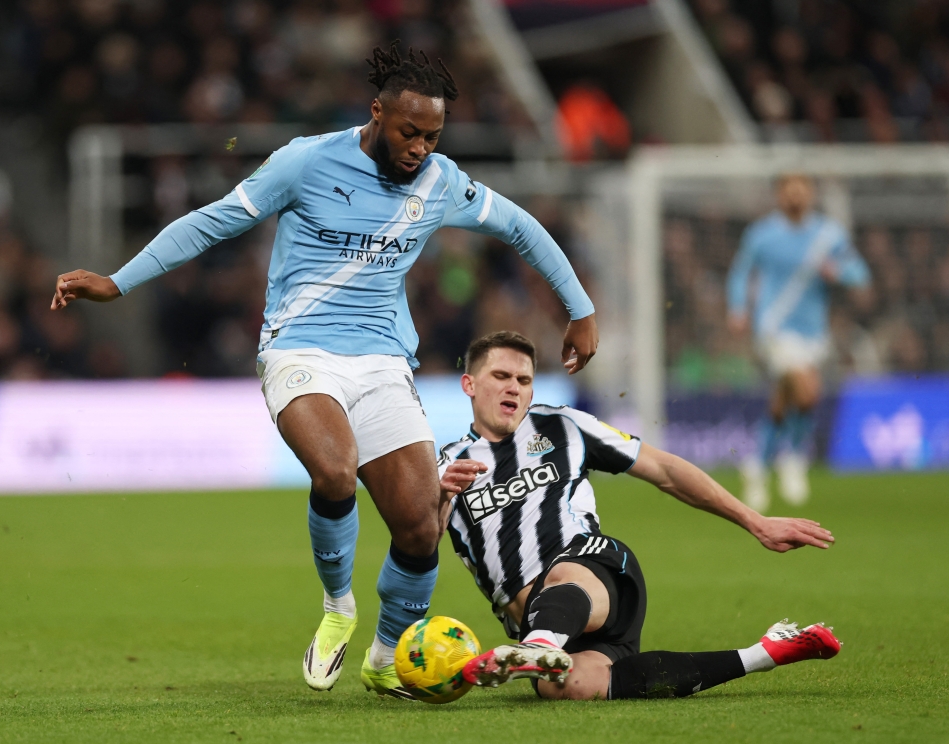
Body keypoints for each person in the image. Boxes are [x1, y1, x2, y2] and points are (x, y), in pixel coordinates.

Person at [49, 42, 598, 699]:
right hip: (300, 351)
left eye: (432, 136)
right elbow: (211, 222)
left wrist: (580, 309)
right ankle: (338, 608)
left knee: (421, 524)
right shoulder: (306, 162)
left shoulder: (441, 182)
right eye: (409, 132)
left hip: (383, 362)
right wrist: (118, 281)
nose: (420, 148)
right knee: (336, 471)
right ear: (377, 112)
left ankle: (386, 658)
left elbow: (522, 228)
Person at [436, 331, 840, 700]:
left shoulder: (563, 426)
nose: (514, 387)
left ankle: (539, 646)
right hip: (547, 623)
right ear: (469, 384)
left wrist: (755, 521)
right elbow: (419, 545)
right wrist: (436, 497)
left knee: (563, 575)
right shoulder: (443, 468)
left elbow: (664, 470)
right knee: (571, 686)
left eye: (524, 380)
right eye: (501, 376)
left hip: (596, 571)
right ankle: (765, 653)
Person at [727, 174, 870, 512]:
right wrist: (738, 308)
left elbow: (860, 272)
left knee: (783, 400)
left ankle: (758, 465)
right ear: (779, 196)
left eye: (801, 191)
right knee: (807, 392)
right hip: (773, 327)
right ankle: (792, 458)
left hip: (813, 332)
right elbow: (741, 272)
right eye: (789, 191)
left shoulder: (828, 234)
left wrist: (838, 272)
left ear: (811, 195)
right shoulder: (763, 234)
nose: (795, 197)